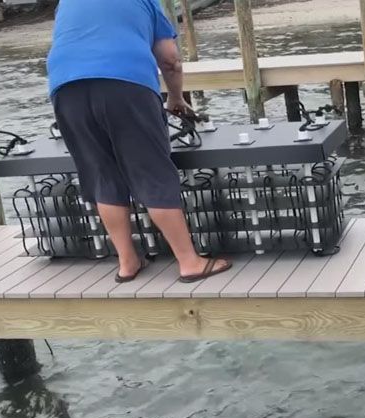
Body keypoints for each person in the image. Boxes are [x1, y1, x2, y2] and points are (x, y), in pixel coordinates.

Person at [46, 0, 232, 283]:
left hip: (65, 87)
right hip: (124, 82)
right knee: (151, 170)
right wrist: (176, 96)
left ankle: (127, 261)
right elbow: (170, 59)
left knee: (100, 172)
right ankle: (189, 261)